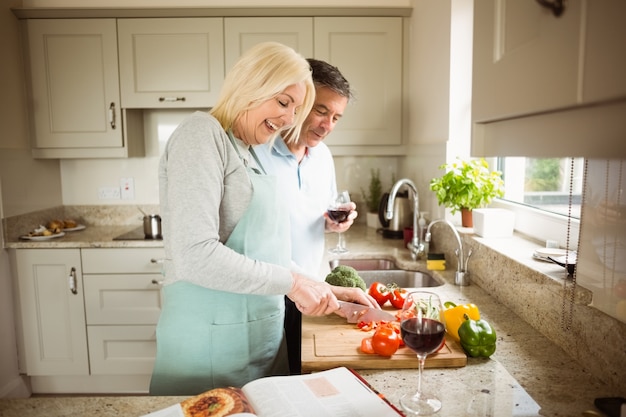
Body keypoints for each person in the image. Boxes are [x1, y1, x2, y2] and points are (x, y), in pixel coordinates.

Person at [150, 42, 376, 396]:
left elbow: (263, 251)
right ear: (249, 85)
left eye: (296, 109)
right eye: (283, 102)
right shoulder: (202, 134)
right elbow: (194, 255)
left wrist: (323, 288)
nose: (289, 119)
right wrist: (293, 284)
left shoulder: (252, 152)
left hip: (261, 347)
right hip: (210, 349)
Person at [256, 59, 359, 374]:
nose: (328, 126)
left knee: (303, 377)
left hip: (313, 290)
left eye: (336, 117)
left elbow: (319, 211)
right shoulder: (257, 151)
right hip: (269, 291)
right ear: (299, 103)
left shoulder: (323, 156)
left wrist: (332, 223)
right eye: (321, 111)